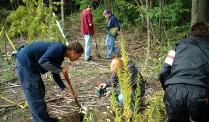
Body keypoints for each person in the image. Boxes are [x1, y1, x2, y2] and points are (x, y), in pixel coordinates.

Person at [16, 41, 84, 122]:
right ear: (74, 52)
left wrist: (67, 90)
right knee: (35, 93)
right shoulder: (58, 49)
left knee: (40, 90)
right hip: (25, 65)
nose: (78, 59)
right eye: (79, 56)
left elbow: (55, 75)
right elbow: (42, 61)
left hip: (31, 66)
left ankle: (45, 119)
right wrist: (60, 69)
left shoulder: (61, 54)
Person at [159, 23, 209, 122]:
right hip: (200, 93)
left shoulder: (177, 46)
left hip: (174, 92)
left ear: (192, 33)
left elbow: (164, 71)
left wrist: (169, 89)